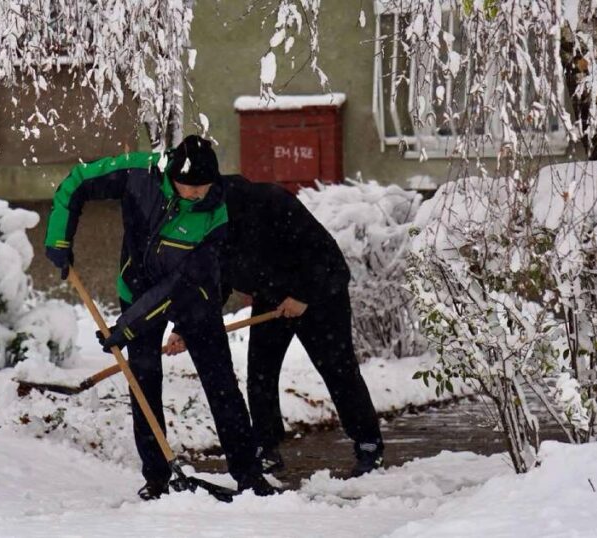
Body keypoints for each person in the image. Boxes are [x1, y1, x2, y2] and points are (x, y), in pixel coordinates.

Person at [44, 135, 275, 500]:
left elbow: (181, 284)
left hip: (193, 297)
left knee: (221, 385)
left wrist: (128, 327)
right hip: (135, 288)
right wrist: (59, 238)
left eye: (204, 187)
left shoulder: (215, 214)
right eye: (189, 187)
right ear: (171, 175)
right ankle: (156, 476)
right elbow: (78, 180)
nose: (197, 195)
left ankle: (248, 474)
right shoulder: (140, 173)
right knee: (144, 383)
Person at [164, 175, 385, 478]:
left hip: (320, 293)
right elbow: (213, 283)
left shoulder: (267, 201)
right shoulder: (208, 228)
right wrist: (186, 326)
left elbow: (324, 255)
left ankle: (368, 442)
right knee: (261, 372)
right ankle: (266, 448)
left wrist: (303, 295)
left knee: (338, 368)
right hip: (273, 296)